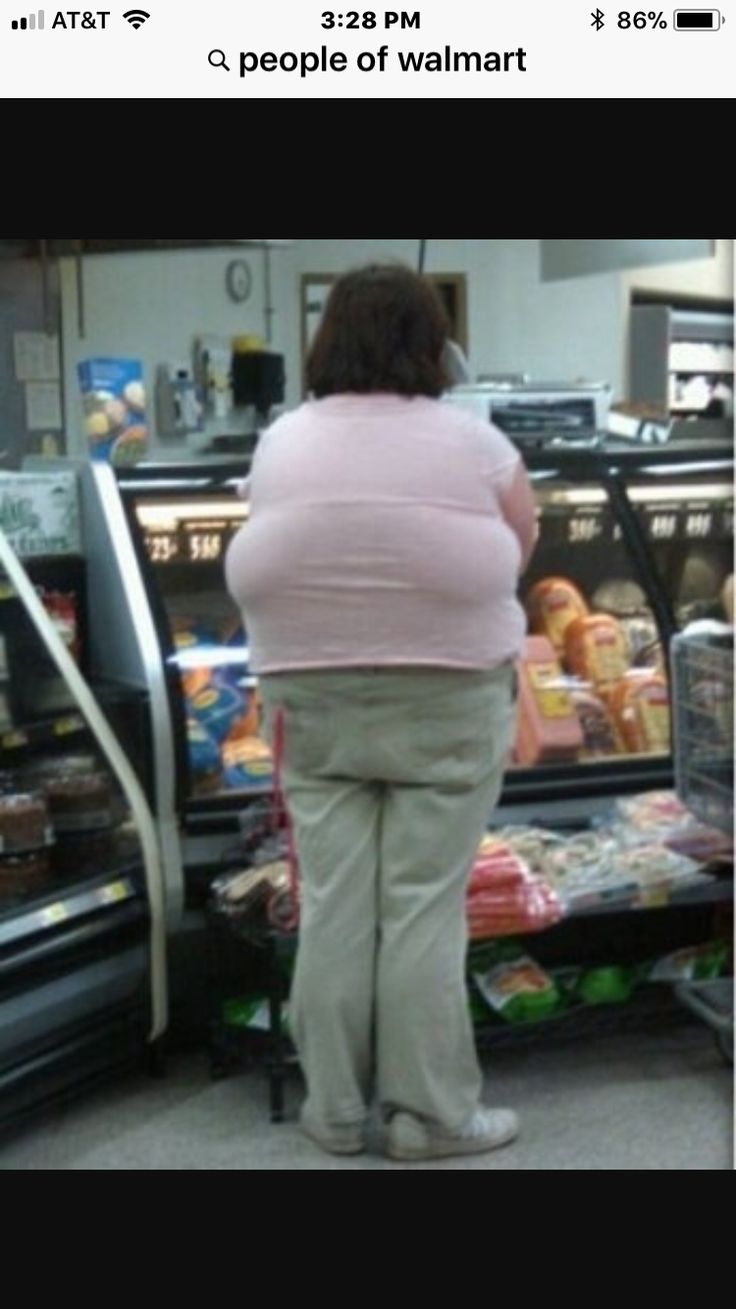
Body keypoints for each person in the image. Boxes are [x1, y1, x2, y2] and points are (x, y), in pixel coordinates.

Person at [225, 264, 537, 1162]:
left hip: (310, 695)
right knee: (421, 908)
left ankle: (331, 1111)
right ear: (432, 343)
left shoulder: (283, 438)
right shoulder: (472, 438)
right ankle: (427, 1117)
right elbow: (521, 539)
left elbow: (274, 523)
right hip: (448, 693)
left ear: (330, 340)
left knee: (332, 903)